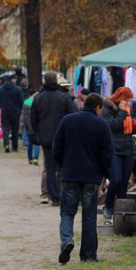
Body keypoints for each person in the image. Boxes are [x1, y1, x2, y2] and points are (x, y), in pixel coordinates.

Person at [53, 93, 114, 264]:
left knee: (66, 212)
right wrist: (105, 175)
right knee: (89, 215)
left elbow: (56, 147)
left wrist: (62, 166)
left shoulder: (67, 121)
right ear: (98, 107)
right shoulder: (101, 125)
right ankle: (88, 255)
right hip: (91, 177)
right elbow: (107, 154)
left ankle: (67, 241)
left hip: (70, 174)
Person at [31, 72, 77, 206]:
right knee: (62, 166)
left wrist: (38, 132)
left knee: (49, 167)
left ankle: (53, 194)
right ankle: (63, 192)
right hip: (62, 136)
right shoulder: (64, 97)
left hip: (46, 137)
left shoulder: (38, 98)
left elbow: (34, 119)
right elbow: (72, 115)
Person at [101, 87, 135, 221]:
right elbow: (112, 126)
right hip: (114, 148)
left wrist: (134, 125)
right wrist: (121, 112)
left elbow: (128, 128)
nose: (129, 103)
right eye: (127, 100)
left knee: (123, 183)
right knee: (115, 179)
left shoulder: (127, 109)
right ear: (120, 98)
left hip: (128, 148)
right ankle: (108, 205)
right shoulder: (108, 108)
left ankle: (121, 212)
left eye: (129, 100)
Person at [0, 75, 25, 152]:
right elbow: (21, 101)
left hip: (5, 112)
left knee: (5, 129)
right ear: (12, 80)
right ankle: (14, 147)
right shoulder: (18, 89)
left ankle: (6, 144)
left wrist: (3, 107)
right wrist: (19, 109)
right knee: (15, 130)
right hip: (15, 112)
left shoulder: (0, 90)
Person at [21, 91, 40, 165]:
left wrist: (24, 125)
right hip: (36, 126)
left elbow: (24, 115)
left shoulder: (26, 102)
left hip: (28, 126)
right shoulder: (37, 101)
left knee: (30, 143)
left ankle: (30, 159)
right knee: (37, 143)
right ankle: (35, 158)